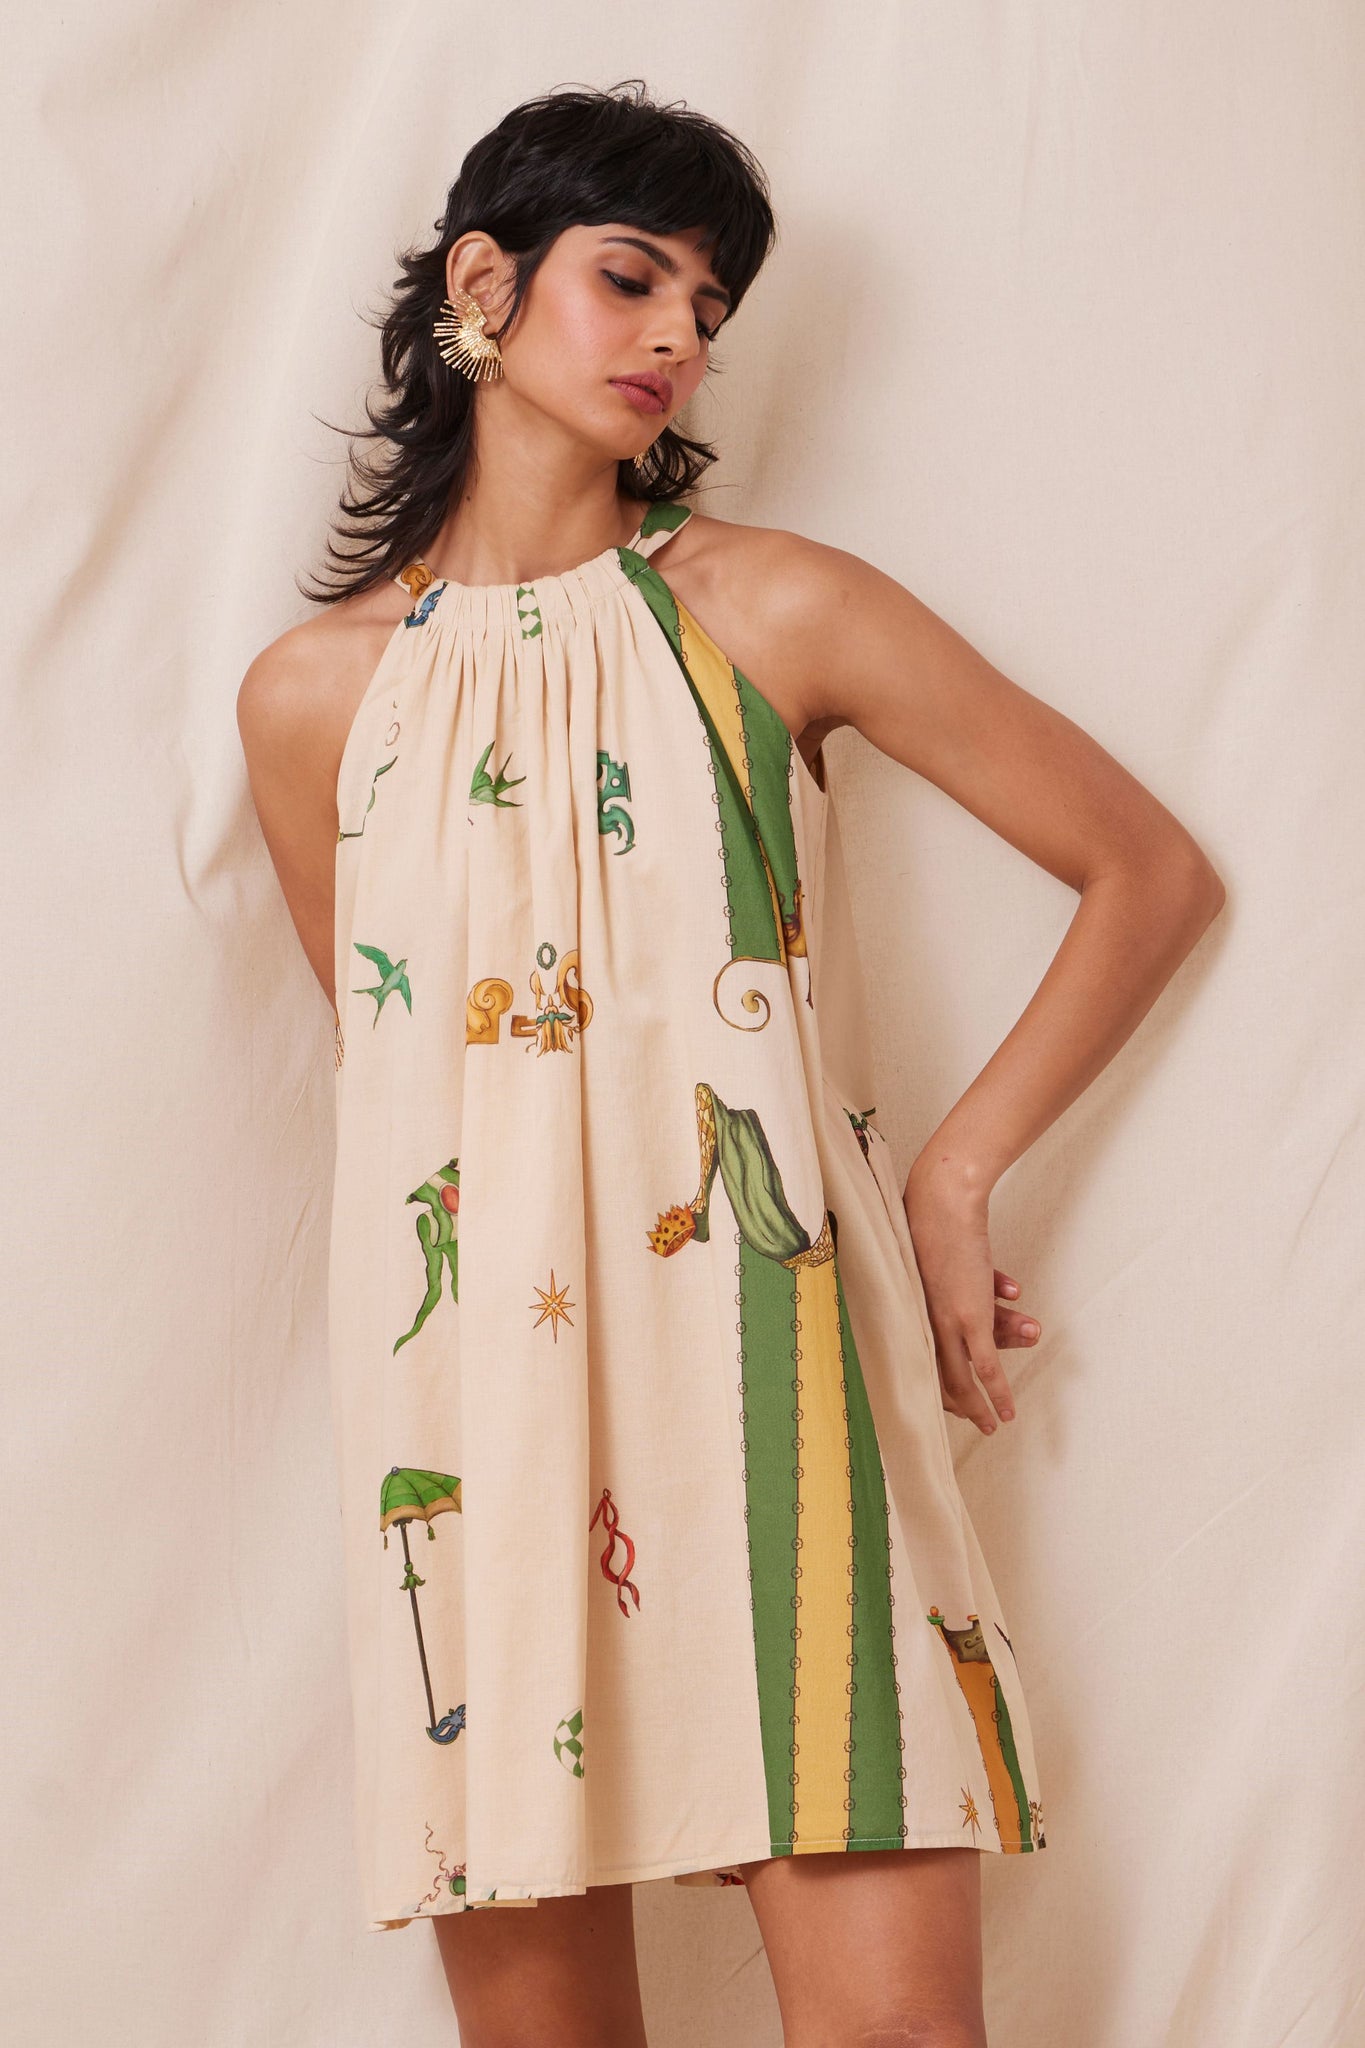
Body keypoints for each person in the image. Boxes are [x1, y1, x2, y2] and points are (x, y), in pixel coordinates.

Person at [237, 78, 1224, 2048]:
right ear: (481, 284)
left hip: (776, 1384)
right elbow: (409, 1090)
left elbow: (1144, 871)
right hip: (483, 1426)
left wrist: (951, 1177)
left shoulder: (773, 608)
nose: (679, 334)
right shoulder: (317, 702)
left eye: (707, 302)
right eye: (630, 278)